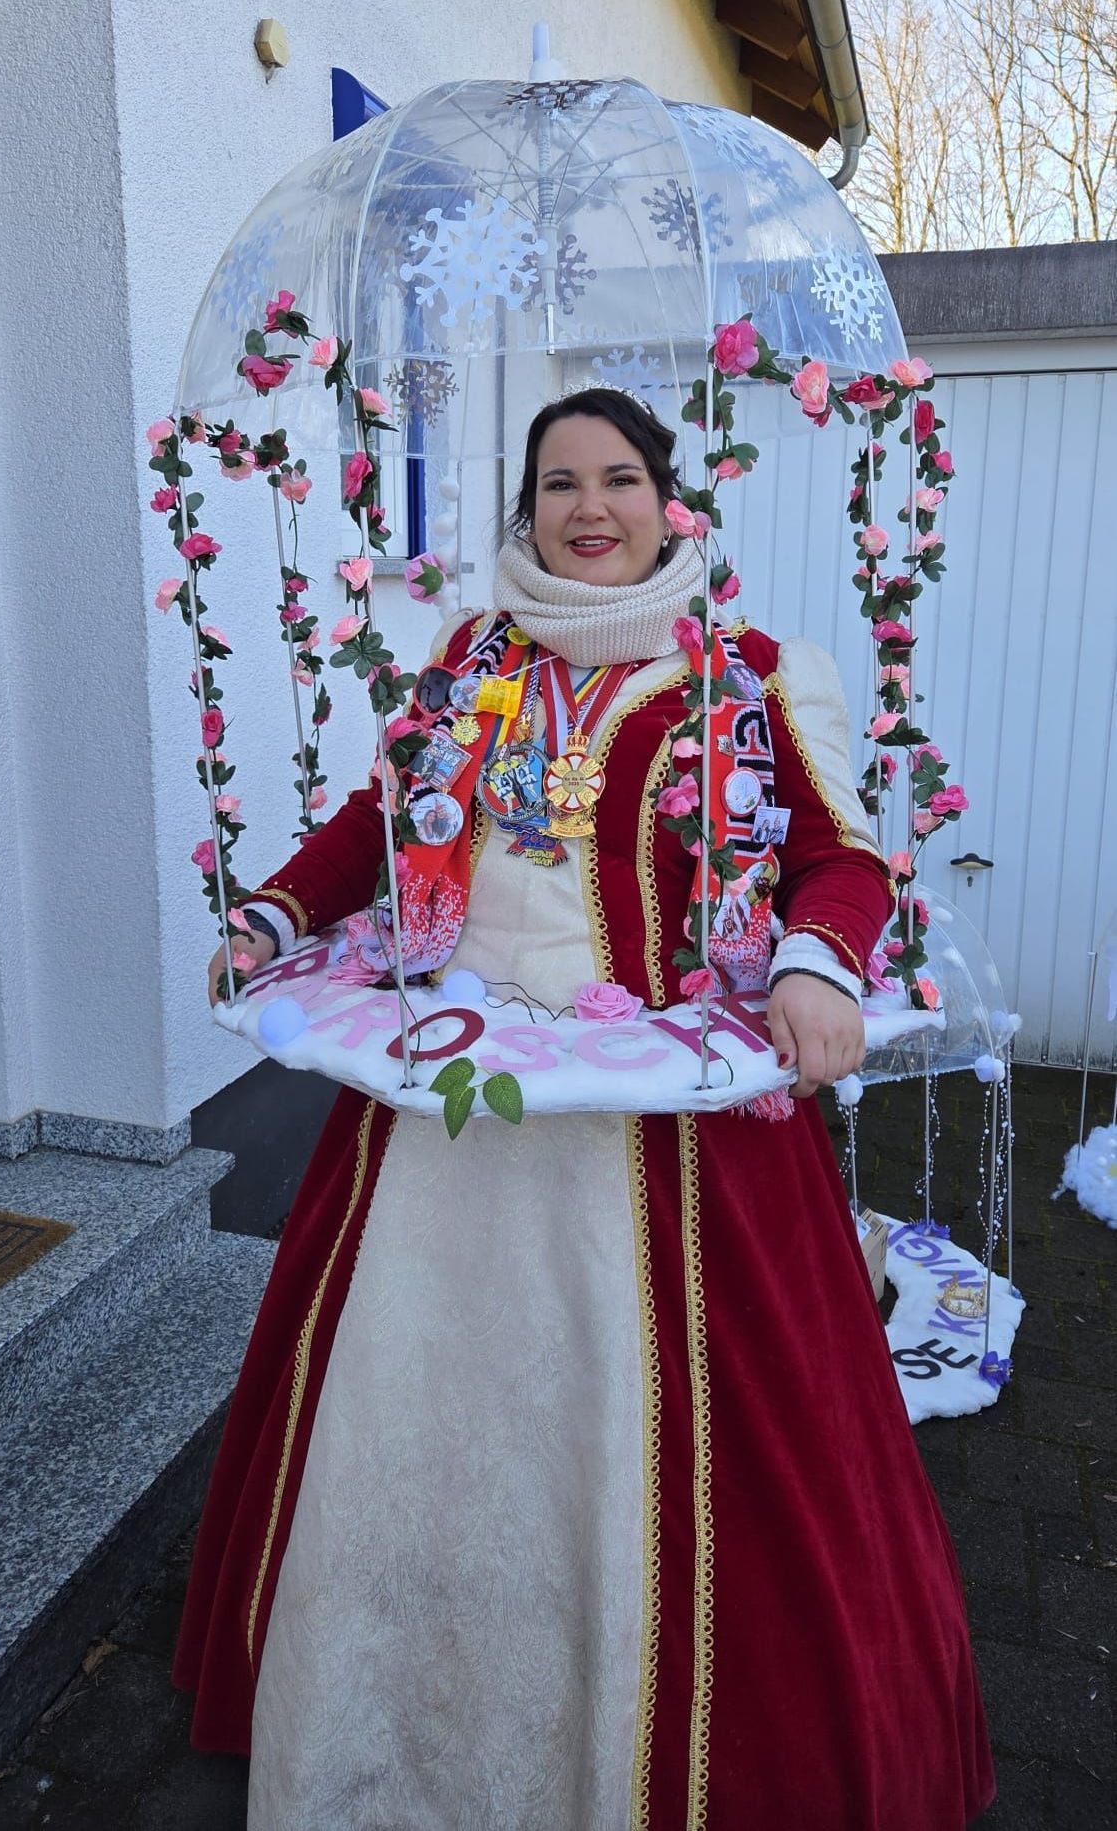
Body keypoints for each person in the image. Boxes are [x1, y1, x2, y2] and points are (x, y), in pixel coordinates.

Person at [173, 389, 995, 1828]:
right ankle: (390, 1738)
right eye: (558, 483)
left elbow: (841, 859)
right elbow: (379, 827)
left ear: (671, 504)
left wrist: (815, 962)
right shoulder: (464, 662)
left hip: (663, 1123)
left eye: (618, 478)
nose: (588, 508)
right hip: (449, 1107)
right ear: (529, 510)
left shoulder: (749, 673)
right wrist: (276, 912)